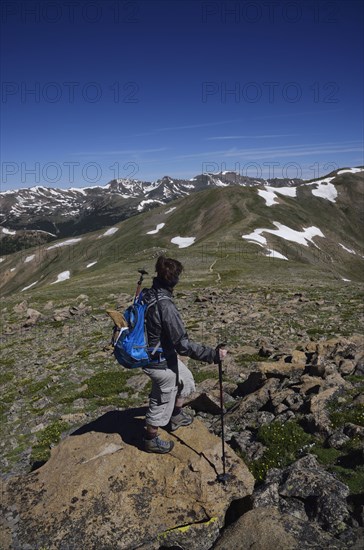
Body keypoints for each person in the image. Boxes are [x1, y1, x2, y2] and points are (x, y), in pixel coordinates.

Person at [141, 255, 227, 454]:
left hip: (160, 355)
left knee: (186, 380)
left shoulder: (149, 293)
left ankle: (176, 415)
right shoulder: (166, 306)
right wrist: (212, 355)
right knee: (161, 398)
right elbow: (182, 344)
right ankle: (150, 439)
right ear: (174, 279)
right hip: (158, 360)